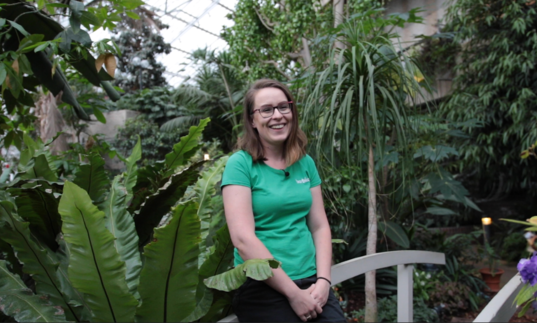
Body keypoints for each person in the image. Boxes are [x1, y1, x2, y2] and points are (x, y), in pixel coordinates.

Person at [221, 79, 346, 322]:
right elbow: (243, 239)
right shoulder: (240, 164)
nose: (277, 115)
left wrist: (323, 281)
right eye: (266, 110)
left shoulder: (305, 163)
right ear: (252, 120)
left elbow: (319, 226)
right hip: (262, 285)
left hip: (312, 280)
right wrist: (293, 294)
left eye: (283, 107)